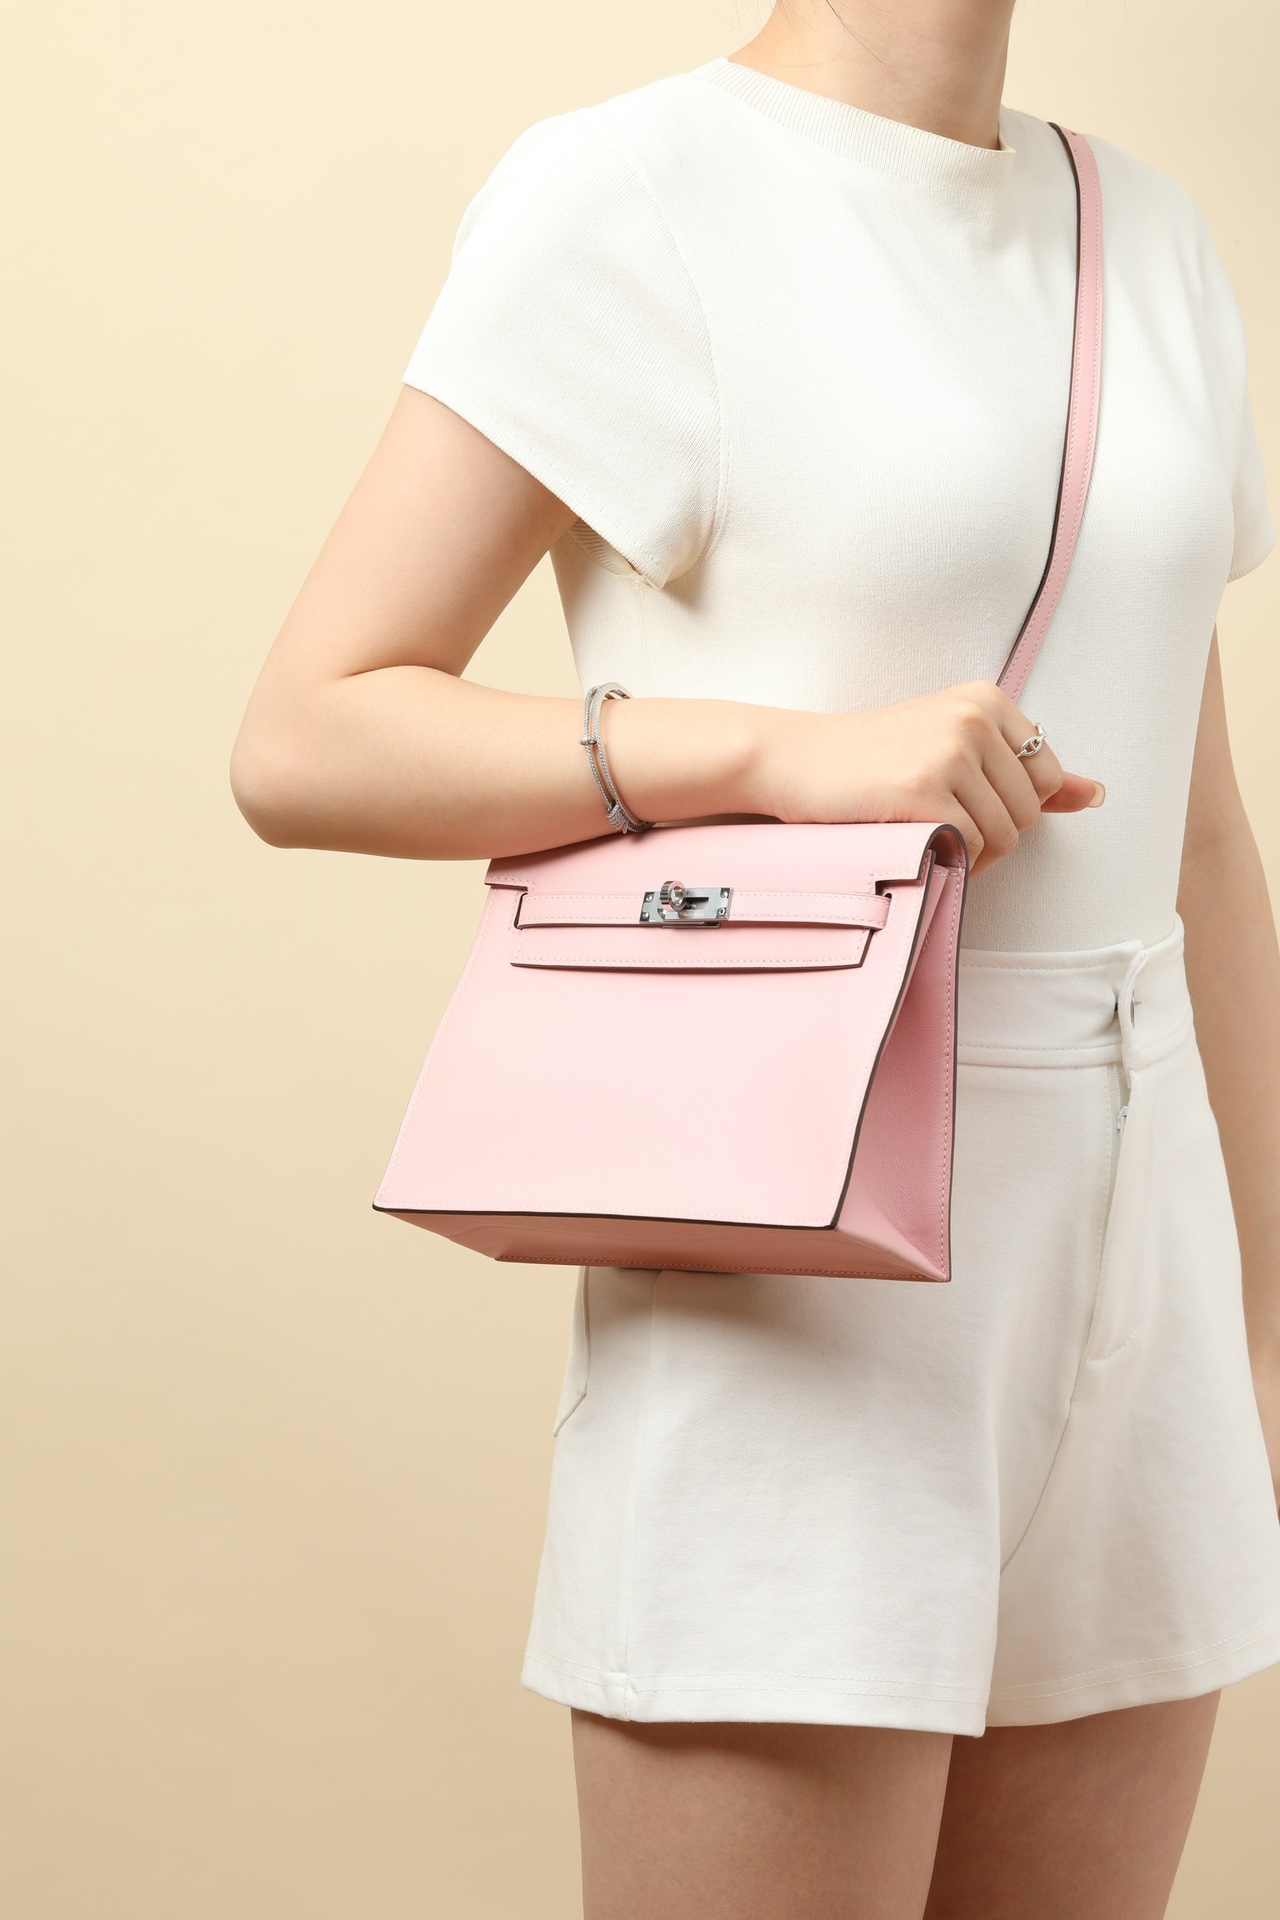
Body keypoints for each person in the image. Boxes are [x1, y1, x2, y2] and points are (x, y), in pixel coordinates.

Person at [230, 1, 1280, 1912]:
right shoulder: (634, 193)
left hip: (1153, 1288)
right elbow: (307, 735)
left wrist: (1262, 1334)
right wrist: (771, 757)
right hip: (804, 1281)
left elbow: (1199, 842)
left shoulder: (1147, 230)